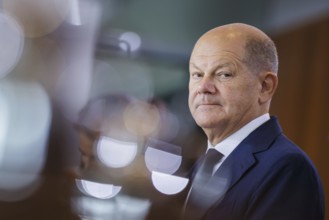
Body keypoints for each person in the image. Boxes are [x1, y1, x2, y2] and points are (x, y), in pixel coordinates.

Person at [183, 23, 324, 220]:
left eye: (224, 74)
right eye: (197, 75)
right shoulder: (195, 164)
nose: (203, 87)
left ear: (265, 87)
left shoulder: (287, 169)